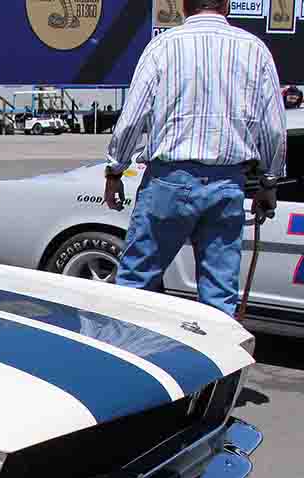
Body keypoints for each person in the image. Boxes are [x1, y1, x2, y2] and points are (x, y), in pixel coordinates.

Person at [104, 0, 286, 317]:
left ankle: (123, 361)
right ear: (226, 5)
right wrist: (269, 182)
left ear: (184, 7)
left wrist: (115, 171)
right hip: (227, 183)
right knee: (219, 296)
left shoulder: (163, 47)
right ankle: (221, 366)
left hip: (168, 182)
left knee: (135, 285)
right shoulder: (255, 50)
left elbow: (132, 119)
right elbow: (273, 127)